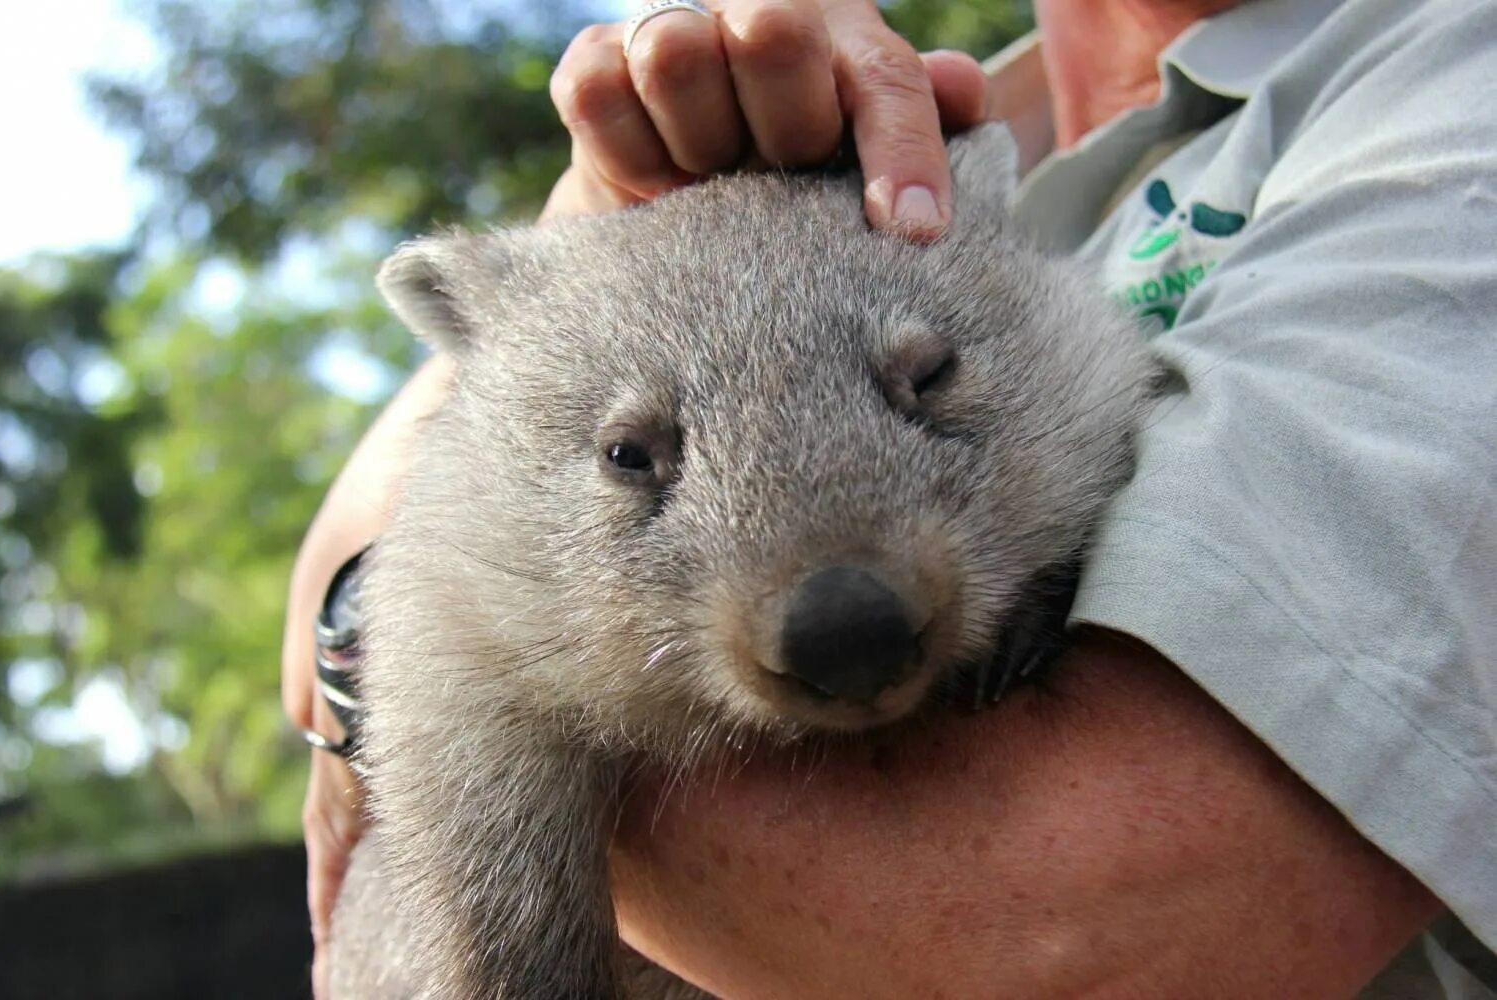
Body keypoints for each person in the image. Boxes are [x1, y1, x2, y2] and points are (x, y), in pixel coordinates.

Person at [282, 0, 1497, 995]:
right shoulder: (935, 117)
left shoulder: (1447, 86)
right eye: (631, 462)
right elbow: (448, 535)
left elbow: (1066, 940)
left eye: (926, 387)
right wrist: (583, 235)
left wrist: (361, 621)